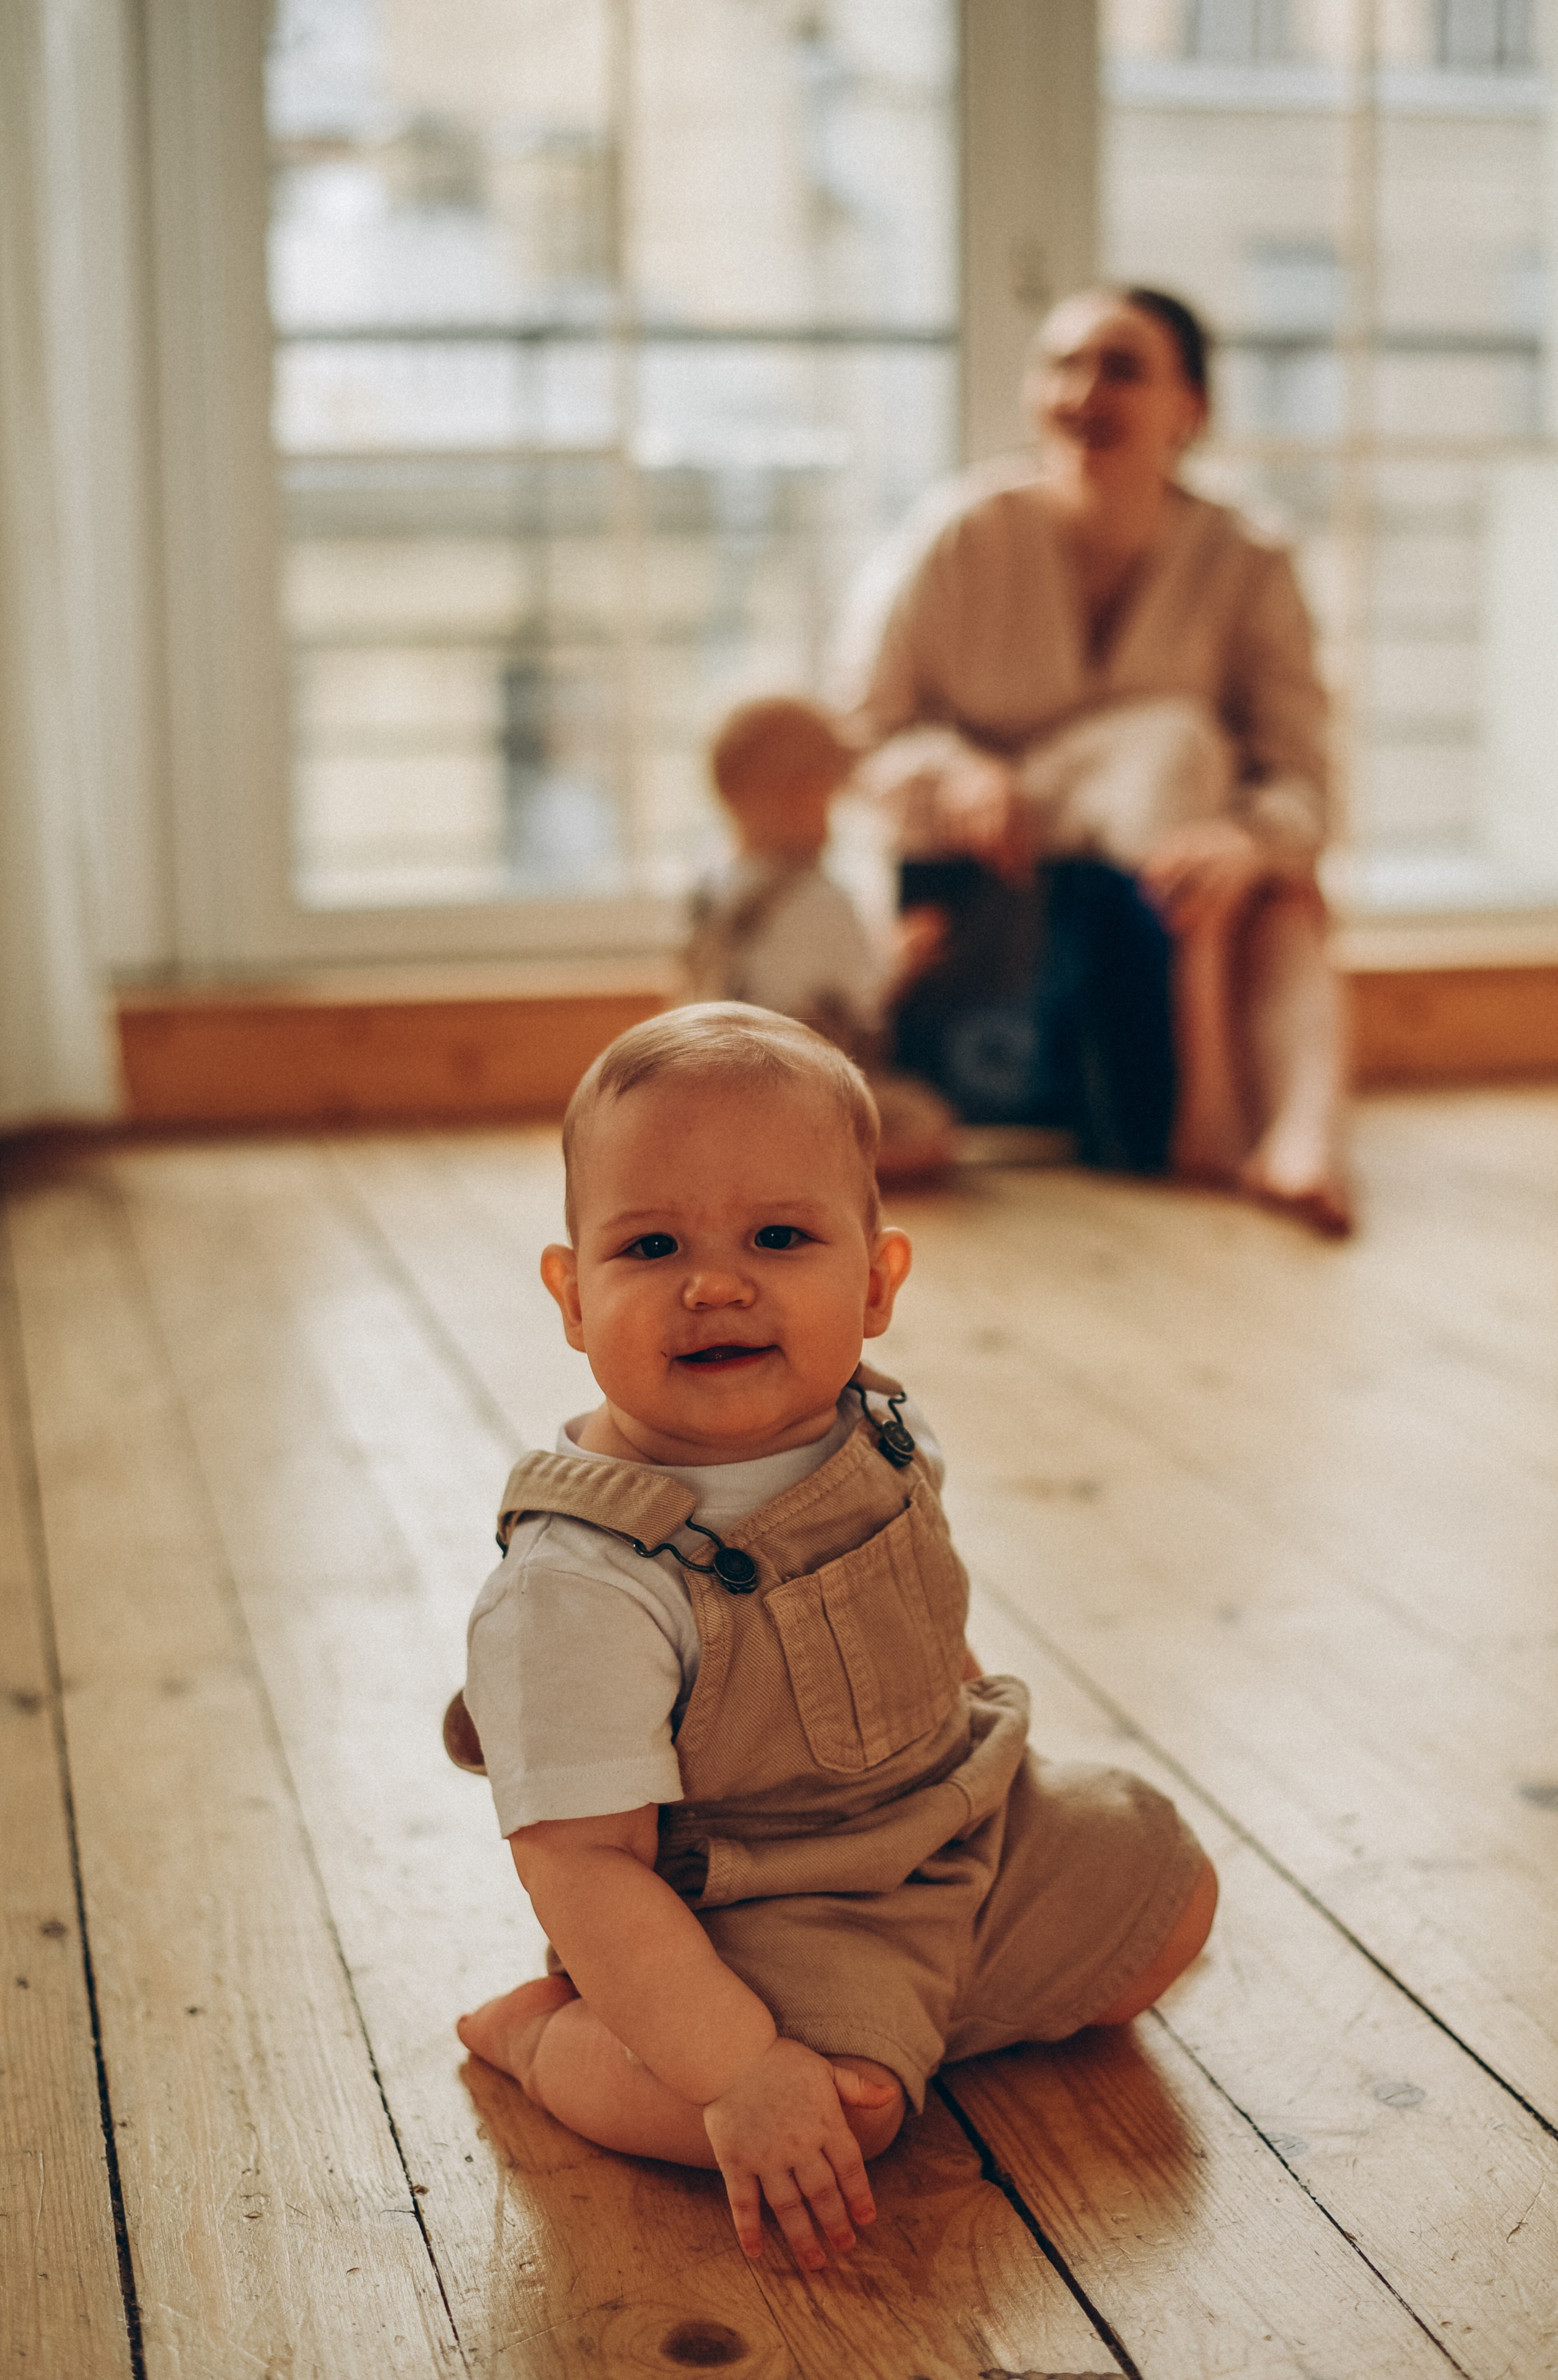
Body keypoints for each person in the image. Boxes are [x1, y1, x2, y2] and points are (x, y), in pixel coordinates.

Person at [450, 1004, 1217, 2273]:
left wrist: (988, 1779)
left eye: (778, 1236)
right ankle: (559, 2040)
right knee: (829, 2114)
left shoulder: (880, 1433)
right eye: (651, 1244)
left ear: (875, 1281)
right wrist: (741, 2067)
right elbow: (583, 1865)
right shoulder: (581, 1584)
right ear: (573, 1295)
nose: (714, 1283)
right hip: (768, 1908)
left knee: (1163, 1893)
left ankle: (920, 2011)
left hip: (956, 1822)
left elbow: (919, 1628)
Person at [837, 285, 1352, 1235]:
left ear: (1189, 408)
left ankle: (1301, 1141)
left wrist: (1246, 842)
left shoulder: (1251, 560)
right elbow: (859, 737)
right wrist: (954, 770)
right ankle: (1197, 1109)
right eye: (1063, 365)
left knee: (1279, 888)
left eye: (1120, 368)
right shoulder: (958, 535)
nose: (1082, 392)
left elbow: (1304, 780)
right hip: (989, 882)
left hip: (1169, 890)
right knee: (1177, 741)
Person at [682, 693, 955, 1179]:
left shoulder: (707, 889)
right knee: (929, 1123)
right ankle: (816, 1162)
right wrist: (903, 956)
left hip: (711, 1087)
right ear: (806, 796)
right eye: (829, 800)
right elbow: (865, 994)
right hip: (798, 1091)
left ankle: (738, 1151)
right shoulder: (821, 897)